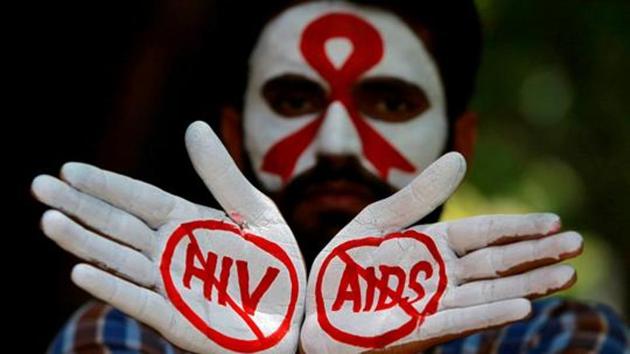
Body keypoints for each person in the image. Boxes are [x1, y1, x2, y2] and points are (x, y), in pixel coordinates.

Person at [32, 1, 627, 353]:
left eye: (390, 103)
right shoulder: (124, 330)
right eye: (293, 100)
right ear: (233, 139)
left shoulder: (554, 337)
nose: (336, 143)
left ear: (460, 141)